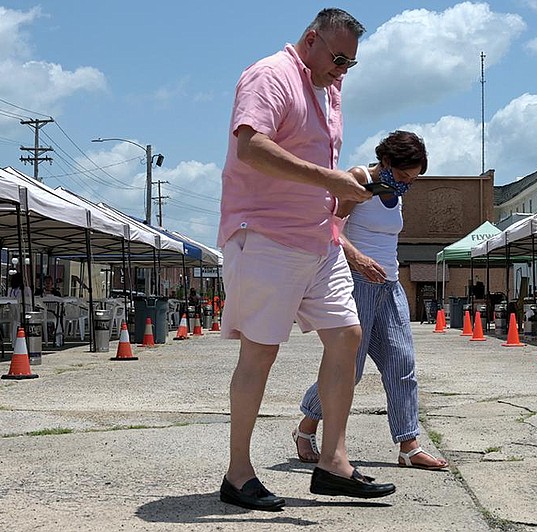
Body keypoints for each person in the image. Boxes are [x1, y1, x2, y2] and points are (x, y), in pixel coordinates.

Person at [217, 8, 394, 511]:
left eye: (350, 64)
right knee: (260, 350)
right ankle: (238, 474)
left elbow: (320, 164)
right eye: (338, 58)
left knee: (347, 335)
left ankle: (333, 462)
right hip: (266, 233)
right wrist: (328, 180)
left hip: (320, 237)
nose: (342, 70)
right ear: (310, 39)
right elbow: (251, 147)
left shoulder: (329, 88)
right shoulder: (269, 74)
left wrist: (349, 179)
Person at [295, 131, 447, 471]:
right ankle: (307, 426)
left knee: (402, 362)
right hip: (358, 282)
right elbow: (331, 228)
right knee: (351, 370)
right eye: (405, 176)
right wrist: (359, 259)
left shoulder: (397, 192)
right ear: (388, 162)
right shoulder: (358, 181)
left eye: (414, 179)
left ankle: (408, 445)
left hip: (390, 285)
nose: (408, 184)